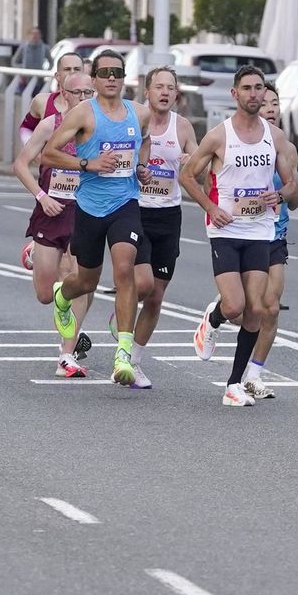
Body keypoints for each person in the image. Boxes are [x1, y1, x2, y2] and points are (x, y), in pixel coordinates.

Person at [182, 65, 295, 407]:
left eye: (258, 88)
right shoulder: (219, 135)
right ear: (235, 94)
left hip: (261, 230)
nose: (253, 94)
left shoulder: (274, 137)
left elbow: (288, 182)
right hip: (225, 229)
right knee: (234, 306)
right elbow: (188, 176)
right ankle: (213, 319)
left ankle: (234, 384)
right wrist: (210, 207)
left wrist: (282, 194)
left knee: (256, 311)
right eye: (246, 88)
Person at [40, 49, 148, 384]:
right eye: (105, 73)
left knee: (125, 269)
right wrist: (88, 164)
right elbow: (49, 153)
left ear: (124, 77)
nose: (112, 79)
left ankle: (123, 355)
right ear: (96, 78)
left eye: (117, 73)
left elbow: (144, 144)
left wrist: (140, 167)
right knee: (85, 281)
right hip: (89, 206)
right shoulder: (83, 115)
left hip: (125, 203)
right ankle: (62, 296)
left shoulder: (138, 113)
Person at [12, 72, 97, 359]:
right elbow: (21, 164)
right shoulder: (51, 125)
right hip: (51, 212)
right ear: (64, 93)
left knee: (78, 278)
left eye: (89, 93)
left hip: (85, 213)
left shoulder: (100, 128)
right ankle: (36, 252)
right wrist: (42, 196)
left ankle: (67, 353)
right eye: (78, 93)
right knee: (46, 294)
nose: (83, 99)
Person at [124, 66, 198, 390]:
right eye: (159, 87)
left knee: (156, 295)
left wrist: (189, 161)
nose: (165, 92)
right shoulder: (134, 121)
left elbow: (200, 164)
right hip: (136, 210)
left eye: (171, 88)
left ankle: (133, 361)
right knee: (141, 284)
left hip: (169, 215)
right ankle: (124, 313)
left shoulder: (182, 127)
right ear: (147, 92)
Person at [243, 82, 298, 399]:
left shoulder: (287, 149)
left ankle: (254, 373)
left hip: (275, 235)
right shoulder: (241, 143)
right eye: (266, 102)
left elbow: (294, 202)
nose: (271, 108)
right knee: (242, 308)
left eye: (276, 103)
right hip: (243, 234)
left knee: (270, 308)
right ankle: (216, 315)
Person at [20, 52, 86, 144]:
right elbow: (26, 128)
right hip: (48, 157)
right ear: (57, 76)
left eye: (77, 69)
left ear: (84, 74)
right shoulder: (42, 101)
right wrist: (37, 154)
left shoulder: (95, 103)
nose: (72, 73)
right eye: (67, 69)